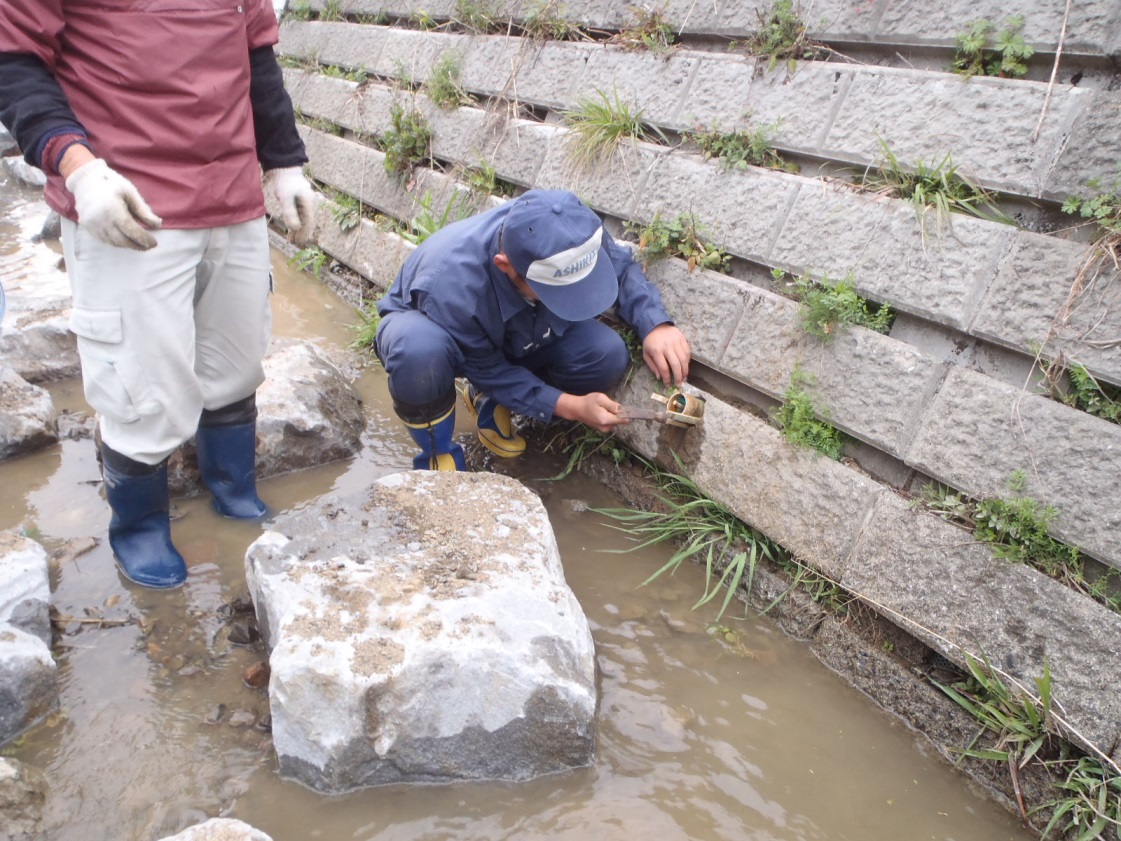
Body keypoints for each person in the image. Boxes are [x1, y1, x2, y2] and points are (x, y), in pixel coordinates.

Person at [0, 1, 319, 589]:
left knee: (237, 362)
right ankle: (140, 527)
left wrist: (284, 161)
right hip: (127, 201)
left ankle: (232, 489)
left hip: (232, 195)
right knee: (138, 386)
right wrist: (77, 167)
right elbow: (15, 56)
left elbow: (256, 54)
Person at [376, 189, 691, 470]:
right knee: (419, 351)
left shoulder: (569, 227)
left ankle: (493, 403)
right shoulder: (452, 285)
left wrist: (655, 325)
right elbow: (487, 368)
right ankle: (439, 457)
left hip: (520, 325)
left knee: (605, 355)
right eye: (556, 288)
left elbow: (619, 265)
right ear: (505, 265)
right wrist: (574, 407)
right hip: (438, 334)